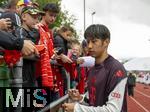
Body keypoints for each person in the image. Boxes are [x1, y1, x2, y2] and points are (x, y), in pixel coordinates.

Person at [62, 24, 127, 112]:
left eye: (94, 41)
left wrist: (77, 108)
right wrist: (80, 97)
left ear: (106, 42)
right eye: (88, 42)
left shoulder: (116, 69)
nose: (89, 46)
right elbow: (92, 101)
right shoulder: (92, 69)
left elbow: (113, 109)